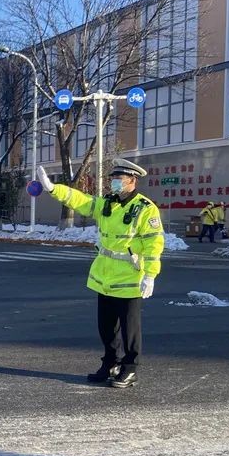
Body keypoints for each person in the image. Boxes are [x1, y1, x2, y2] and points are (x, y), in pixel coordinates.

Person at [36, 158, 165, 389]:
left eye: (119, 179)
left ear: (132, 181)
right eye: (113, 179)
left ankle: (130, 368)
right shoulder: (107, 203)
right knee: (106, 327)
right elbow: (82, 200)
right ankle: (111, 363)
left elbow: (153, 244)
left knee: (130, 329)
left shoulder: (145, 209)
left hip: (129, 277)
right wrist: (54, 189)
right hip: (105, 277)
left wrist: (150, 275)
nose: (114, 183)